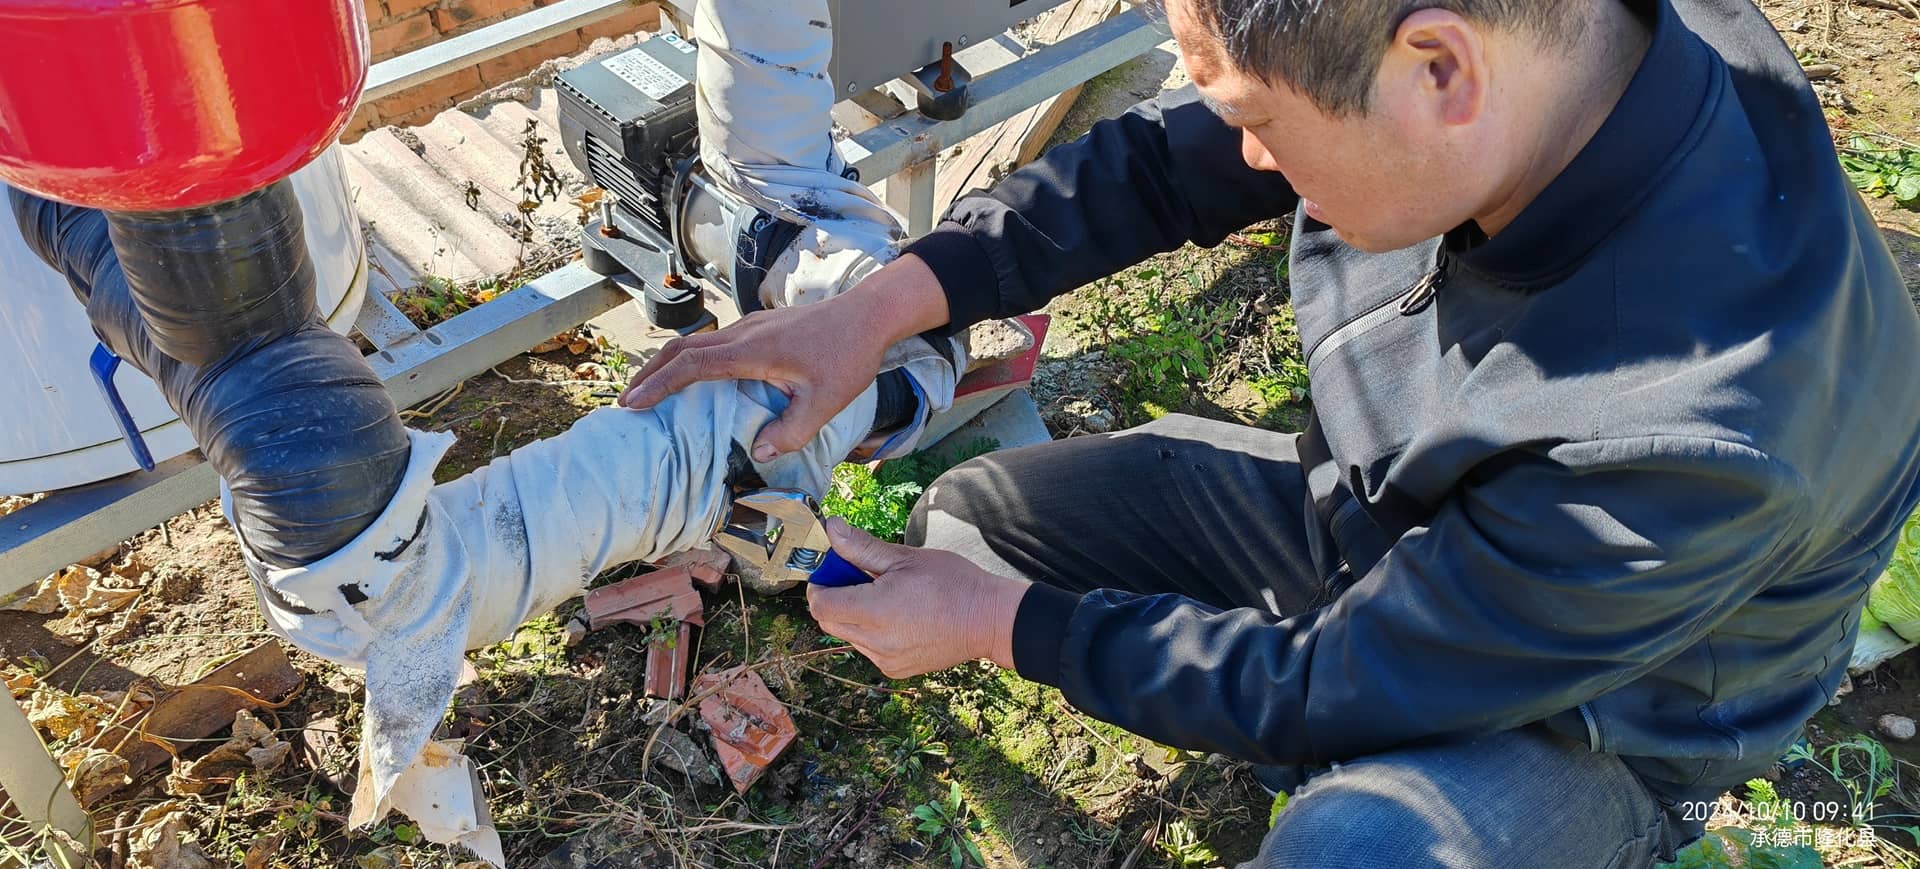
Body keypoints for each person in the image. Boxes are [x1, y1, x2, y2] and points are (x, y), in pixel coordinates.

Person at [621, 0, 1920, 864]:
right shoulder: (1534, 64)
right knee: (979, 528)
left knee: (1349, 846)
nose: (1244, 159)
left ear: (1440, 74)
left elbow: (1338, 682)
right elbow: (1162, 165)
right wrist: (885, 306)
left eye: (1261, 126)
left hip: (1599, 708)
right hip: (1420, 516)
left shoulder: (1695, 435)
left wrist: (990, 626)